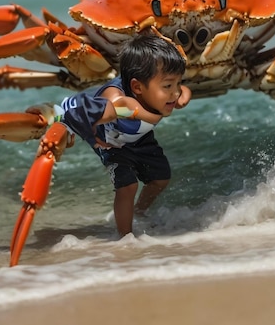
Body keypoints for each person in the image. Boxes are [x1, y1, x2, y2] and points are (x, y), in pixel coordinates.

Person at [56, 34, 192, 236]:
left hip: (138, 137)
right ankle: (126, 239)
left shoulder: (165, 93)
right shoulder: (115, 102)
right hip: (111, 141)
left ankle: (139, 212)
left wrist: (181, 96)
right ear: (137, 87)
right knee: (127, 185)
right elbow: (81, 115)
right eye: (167, 86)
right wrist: (67, 130)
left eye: (177, 84)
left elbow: (184, 93)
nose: (174, 92)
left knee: (161, 179)